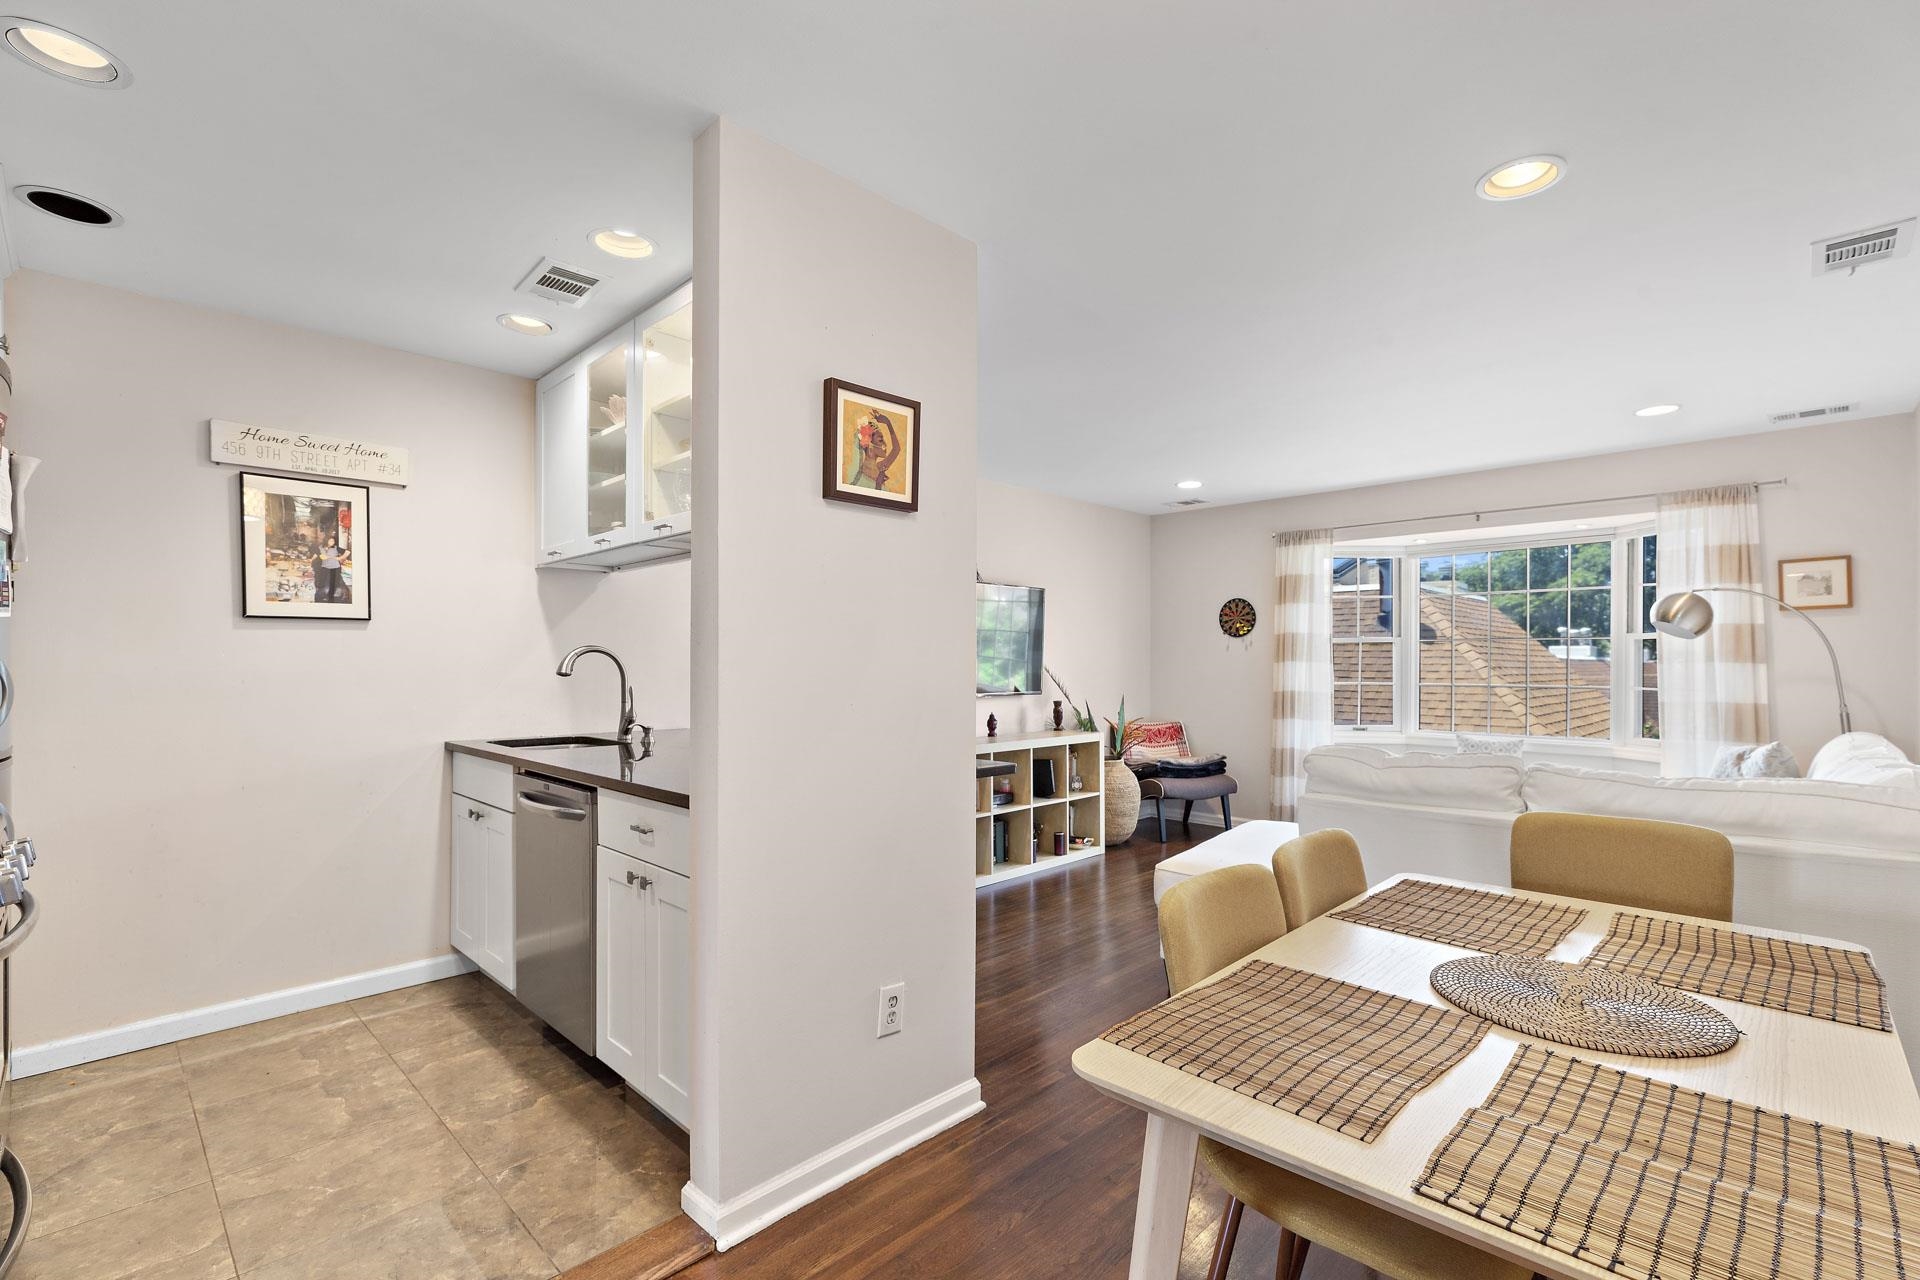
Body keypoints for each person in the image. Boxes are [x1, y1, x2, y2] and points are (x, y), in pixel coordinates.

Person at [846, 410, 900, 491]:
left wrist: (888, 423)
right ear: (870, 446)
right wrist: (878, 484)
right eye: (880, 440)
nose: (885, 444)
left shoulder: (880, 467)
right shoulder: (859, 474)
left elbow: (896, 449)